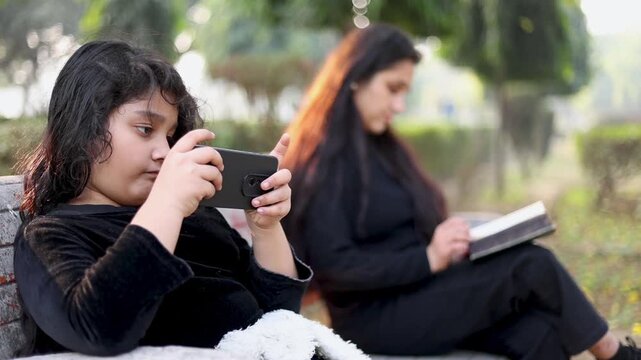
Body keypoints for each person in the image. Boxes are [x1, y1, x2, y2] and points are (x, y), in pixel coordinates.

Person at [282, 23, 640, 360]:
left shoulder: (383, 149)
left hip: (420, 292)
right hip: (374, 319)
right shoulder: (323, 162)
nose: (399, 106)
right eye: (393, 88)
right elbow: (335, 268)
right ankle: (619, 355)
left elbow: (410, 231)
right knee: (532, 265)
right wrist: (428, 258)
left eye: (405, 92)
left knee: (540, 331)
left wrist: (451, 246)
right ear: (355, 78)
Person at [13, 40, 312, 357]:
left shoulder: (198, 217)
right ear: (83, 129)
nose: (164, 152)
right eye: (145, 129)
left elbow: (281, 320)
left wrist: (266, 228)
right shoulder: (49, 236)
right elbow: (97, 326)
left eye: (170, 137)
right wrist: (167, 203)